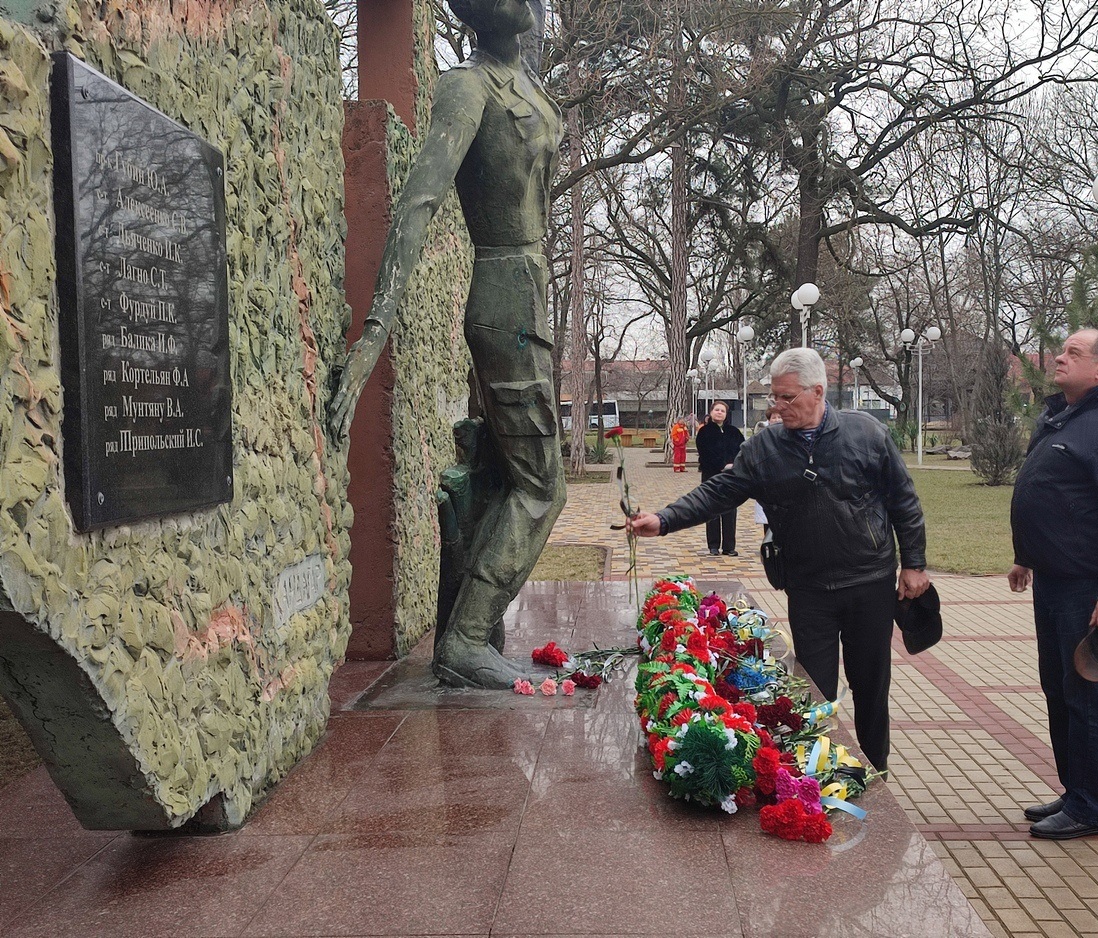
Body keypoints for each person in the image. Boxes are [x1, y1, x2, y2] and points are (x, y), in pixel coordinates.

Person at [327, 0, 564, 689]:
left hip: (530, 295)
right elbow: (419, 201)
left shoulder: (528, 86)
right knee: (541, 486)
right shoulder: (467, 86)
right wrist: (375, 330)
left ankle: (473, 630)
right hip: (502, 294)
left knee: (501, 472)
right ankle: (464, 638)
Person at [630, 349, 929, 773]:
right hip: (809, 589)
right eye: (775, 397)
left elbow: (904, 500)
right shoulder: (764, 448)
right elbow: (718, 492)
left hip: (869, 583)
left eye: (788, 397)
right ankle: (819, 774)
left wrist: (914, 563)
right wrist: (664, 520)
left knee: (871, 688)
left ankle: (875, 768)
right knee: (812, 693)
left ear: (818, 392)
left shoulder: (866, 433)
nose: (779, 406)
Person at [1009, 328, 1098, 840]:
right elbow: (1049, 490)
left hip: (1088, 586)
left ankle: (1091, 808)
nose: (1059, 358)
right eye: (1061, 350)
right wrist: (1026, 556)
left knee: (1085, 693)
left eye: (1074, 353)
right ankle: (1076, 791)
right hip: (1052, 578)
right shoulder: (1065, 414)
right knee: (1058, 688)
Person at [694, 400, 745, 556]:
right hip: (711, 475)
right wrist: (721, 465)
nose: (719, 413)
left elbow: (742, 450)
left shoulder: (734, 432)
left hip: (731, 476)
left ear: (726, 414)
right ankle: (713, 545)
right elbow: (704, 452)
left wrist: (733, 464)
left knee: (730, 510)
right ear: (711, 412)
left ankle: (729, 546)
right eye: (716, 410)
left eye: (722, 410)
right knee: (712, 509)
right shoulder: (704, 432)